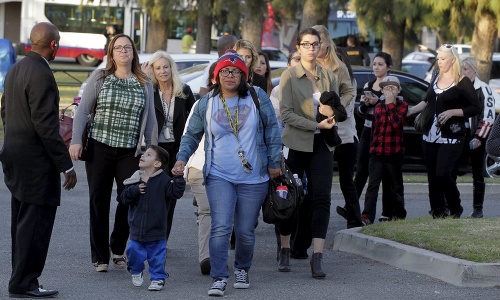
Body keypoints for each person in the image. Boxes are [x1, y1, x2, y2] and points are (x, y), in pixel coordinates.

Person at [172, 50, 282, 297]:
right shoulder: (206, 103)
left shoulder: (257, 97)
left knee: (244, 230)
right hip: (219, 174)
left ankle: (242, 268)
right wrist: (181, 159)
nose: (229, 75)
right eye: (224, 71)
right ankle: (219, 276)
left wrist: (274, 161)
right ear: (216, 75)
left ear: (243, 76)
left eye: (235, 71)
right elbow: (191, 135)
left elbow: (272, 131)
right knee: (220, 226)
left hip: (254, 177)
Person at [69, 33, 158, 272]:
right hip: (99, 147)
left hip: (129, 150)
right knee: (98, 200)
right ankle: (100, 257)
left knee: (130, 196)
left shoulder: (144, 82)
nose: (122, 51)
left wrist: (152, 152)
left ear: (133, 52)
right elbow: (83, 111)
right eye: (117, 48)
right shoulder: (100, 77)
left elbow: (150, 121)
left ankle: (118, 247)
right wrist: (76, 141)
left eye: (127, 47)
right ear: (111, 53)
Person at [1, 22, 77, 298]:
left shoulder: (16, 69)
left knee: (21, 224)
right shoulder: (41, 74)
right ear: (53, 44)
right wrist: (66, 165)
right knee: (35, 225)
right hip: (35, 163)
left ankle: (19, 280)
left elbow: (5, 113)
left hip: (14, 156)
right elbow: (46, 127)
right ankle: (26, 282)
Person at [278, 27, 345, 278]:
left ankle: (317, 256)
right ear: (298, 47)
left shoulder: (329, 75)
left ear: (320, 47)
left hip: (322, 145)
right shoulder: (288, 76)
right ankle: (285, 248)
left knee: (321, 199)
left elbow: (337, 109)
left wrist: (332, 116)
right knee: (287, 198)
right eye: (305, 44)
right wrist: (315, 124)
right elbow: (286, 114)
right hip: (296, 143)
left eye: (314, 44)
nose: (310, 48)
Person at [407, 44, 480, 218]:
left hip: (452, 135)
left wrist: (453, 112)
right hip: (430, 134)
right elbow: (427, 101)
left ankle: (455, 207)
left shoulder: (462, 81)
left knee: (443, 174)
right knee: (432, 176)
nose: (439, 62)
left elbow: (475, 107)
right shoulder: (435, 77)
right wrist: (410, 110)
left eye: (443, 59)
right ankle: (437, 212)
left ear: (453, 60)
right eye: (438, 58)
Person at [141, 51, 196, 244]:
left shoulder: (185, 91)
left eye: (166, 67)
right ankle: (151, 237)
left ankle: (162, 240)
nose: (163, 71)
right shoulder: (149, 91)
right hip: (157, 149)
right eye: (158, 68)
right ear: (153, 72)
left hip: (178, 149)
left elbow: (195, 119)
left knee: (171, 195)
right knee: (154, 193)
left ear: (171, 68)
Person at [312, 24, 361, 229]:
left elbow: (346, 109)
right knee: (319, 182)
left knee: (346, 181)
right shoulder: (311, 68)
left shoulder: (344, 76)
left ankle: (355, 220)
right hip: (321, 133)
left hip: (345, 137)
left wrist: (333, 109)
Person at [121, 145, 186, 291]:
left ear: (157, 164)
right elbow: (124, 198)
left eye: (149, 155)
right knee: (133, 252)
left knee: (157, 256)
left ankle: (158, 278)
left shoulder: (164, 181)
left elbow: (176, 193)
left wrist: (178, 178)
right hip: (137, 228)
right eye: (144, 154)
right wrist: (134, 190)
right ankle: (136, 270)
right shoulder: (135, 179)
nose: (143, 156)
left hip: (156, 228)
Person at [354, 51, 393, 225]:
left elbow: (393, 110)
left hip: (383, 135)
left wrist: (378, 102)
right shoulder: (368, 84)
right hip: (367, 132)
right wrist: (365, 104)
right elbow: (361, 113)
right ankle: (352, 208)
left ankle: (371, 213)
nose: (376, 67)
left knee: (378, 176)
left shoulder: (391, 86)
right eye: (374, 64)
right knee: (361, 170)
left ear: (388, 67)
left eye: (380, 64)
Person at [364, 75, 408, 222]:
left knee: (394, 186)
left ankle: (395, 213)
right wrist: (372, 147)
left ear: (398, 90)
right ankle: (367, 215)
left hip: (394, 152)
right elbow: (375, 129)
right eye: (386, 88)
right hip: (377, 152)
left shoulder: (402, 106)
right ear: (381, 90)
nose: (389, 91)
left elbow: (396, 123)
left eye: (393, 88)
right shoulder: (378, 107)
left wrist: (390, 104)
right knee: (373, 186)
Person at [461, 57, 496, 218]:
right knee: (451, 170)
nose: (463, 72)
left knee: (477, 173)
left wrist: (478, 138)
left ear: (474, 69)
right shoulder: (458, 88)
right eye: (461, 69)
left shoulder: (484, 89)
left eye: (466, 69)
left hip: (477, 136)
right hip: (460, 135)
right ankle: (450, 207)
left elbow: (488, 117)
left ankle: (477, 209)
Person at [270, 49, 300, 133]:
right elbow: (276, 122)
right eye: (298, 59)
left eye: (305, 60)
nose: (301, 63)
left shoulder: (317, 88)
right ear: (288, 65)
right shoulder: (278, 91)